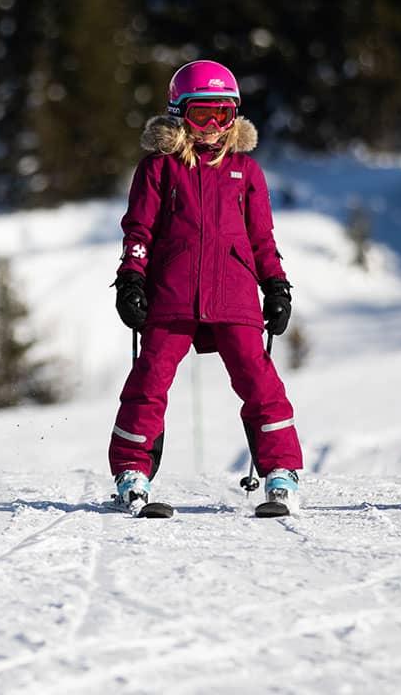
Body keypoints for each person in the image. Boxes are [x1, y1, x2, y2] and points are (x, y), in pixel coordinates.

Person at [109, 61, 303, 513]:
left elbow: (262, 238)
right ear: (179, 114)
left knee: (259, 381)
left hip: (234, 292)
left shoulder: (246, 172)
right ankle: (132, 472)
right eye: (202, 115)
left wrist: (276, 284)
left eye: (223, 115)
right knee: (150, 378)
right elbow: (138, 232)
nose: (213, 128)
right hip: (172, 293)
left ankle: (281, 472)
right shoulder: (159, 169)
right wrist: (131, 278)